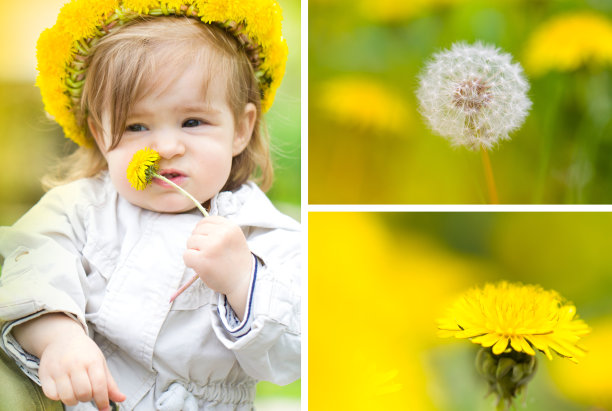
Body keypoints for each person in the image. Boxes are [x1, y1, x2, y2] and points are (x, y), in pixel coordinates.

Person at [0, 1, 300, 410]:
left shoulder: (261, 232)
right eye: (136, 126)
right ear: (100, 134)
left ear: (240, 129)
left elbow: (293, 354)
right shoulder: (80, 209)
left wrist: (243, 281)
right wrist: (59, 338)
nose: (165, 148)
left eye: (192, 122)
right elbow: (25, 272)